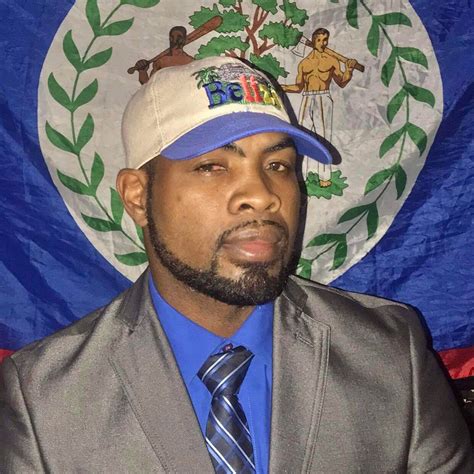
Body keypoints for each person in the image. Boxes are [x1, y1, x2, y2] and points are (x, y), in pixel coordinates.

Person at [0, 56, 472, 473]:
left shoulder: (389, 353)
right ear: (138, 197)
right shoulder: (43, 399)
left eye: (278, 166)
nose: (263, 196)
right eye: (212, 166)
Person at [283, 28, 356, 187]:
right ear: (313, 40)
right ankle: (302, 174)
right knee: (303, 135)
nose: (323, 43)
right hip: (307, 98)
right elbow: (298, 87)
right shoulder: (304, 63)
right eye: (319, 40)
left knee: (323, 135)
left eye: (325, 40)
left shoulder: (331, 61)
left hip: (323, 98)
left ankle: (324, 177)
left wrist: (349, 70)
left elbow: (342, 82)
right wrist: (280, 87)